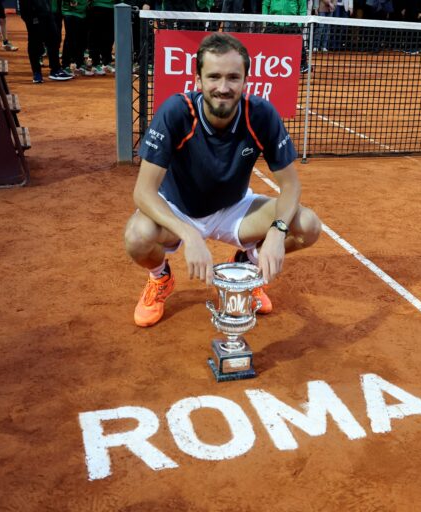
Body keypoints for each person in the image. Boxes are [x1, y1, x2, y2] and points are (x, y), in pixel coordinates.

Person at [125, 33, 322, 327]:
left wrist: (278, 233)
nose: (223, 87)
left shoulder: (262, 115)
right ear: (197, 80)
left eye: (233, 77)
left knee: (307, 225)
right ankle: (160, 278)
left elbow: (291, 185)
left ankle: (248, 266)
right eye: (214, 76)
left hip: (235, 209)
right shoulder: (176, 112)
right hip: (179, 210)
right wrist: (189, 234)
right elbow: (143, 192)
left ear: (245, 81)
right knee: (137, 236)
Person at [19, 0, 74, 82]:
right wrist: (31, 18)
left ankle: (55, 70)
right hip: (34, 16)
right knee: (35, 44)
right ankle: (37, 73)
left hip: (48, 14)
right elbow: (25, 6)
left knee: (54, 40)